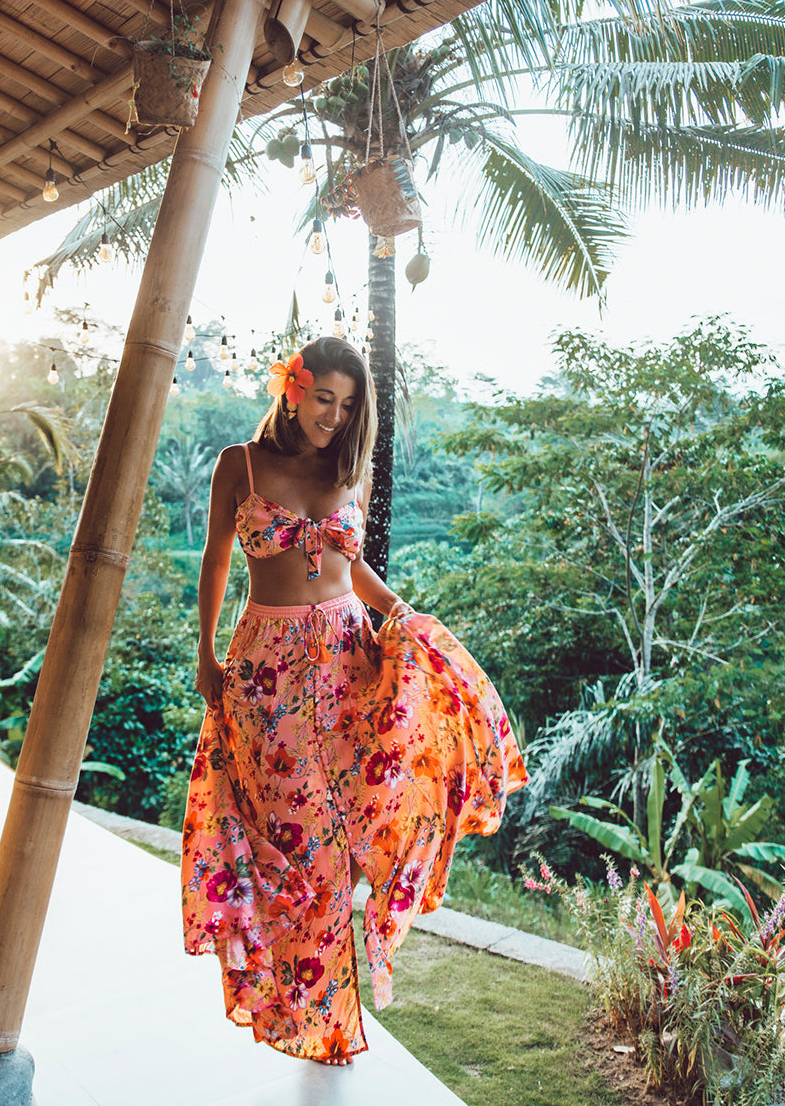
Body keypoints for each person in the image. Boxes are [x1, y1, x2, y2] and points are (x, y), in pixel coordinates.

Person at [181, 336, 527, 1066]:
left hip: (348, 662)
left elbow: (350, 565)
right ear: (293, 388)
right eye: (323, 399)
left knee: (344, 835)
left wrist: (405, 617)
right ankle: (293, 995)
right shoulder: (238, 465)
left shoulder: (353, 470)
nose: (333, 416)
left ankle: (333, 1018)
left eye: (347, 405)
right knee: (290, 840)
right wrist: (205, 652)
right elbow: (216, 557)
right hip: (265, 672)